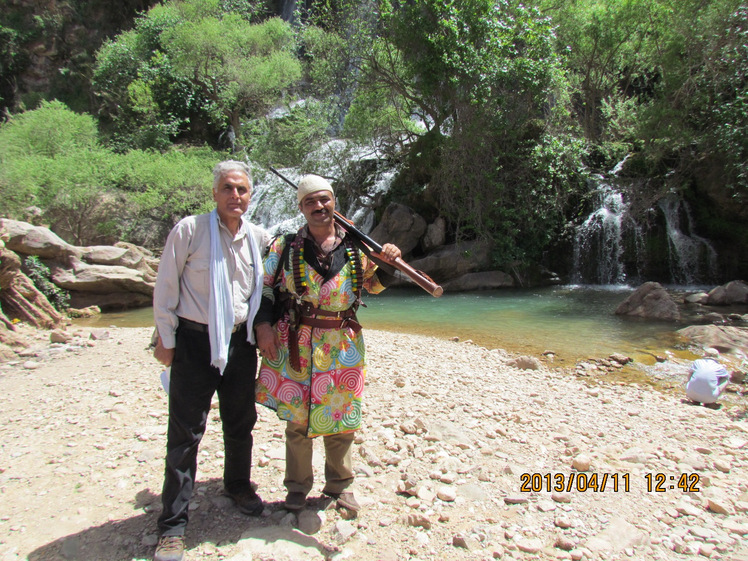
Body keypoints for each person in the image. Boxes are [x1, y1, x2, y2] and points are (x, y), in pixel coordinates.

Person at [254, 174, 401, 514]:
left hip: (342, 341)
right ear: (301, 208)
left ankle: (340, 486)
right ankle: (297, 488)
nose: (319, 207)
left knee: (342, 417)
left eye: (324, 200)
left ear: (334, 203)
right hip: (296, 339)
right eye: (310, 202)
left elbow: (374, 286)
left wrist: (388, 264)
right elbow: (265, 287)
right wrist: (263, 326)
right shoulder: (284, 246)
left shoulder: (356, 247)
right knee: (297, 420)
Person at [151, 160, 270, 561]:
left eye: (242, 190)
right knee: (185, 433)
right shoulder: (190, 230)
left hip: (240, 343)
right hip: (194, 343)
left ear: (250, 196)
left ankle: (237, 486)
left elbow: (271, 285)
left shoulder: (258, 237)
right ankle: (172, 526)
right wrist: (165, 339)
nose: (235, 196)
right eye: (228, 188)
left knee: (241, 422)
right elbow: (166, 286)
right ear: (215, 193)